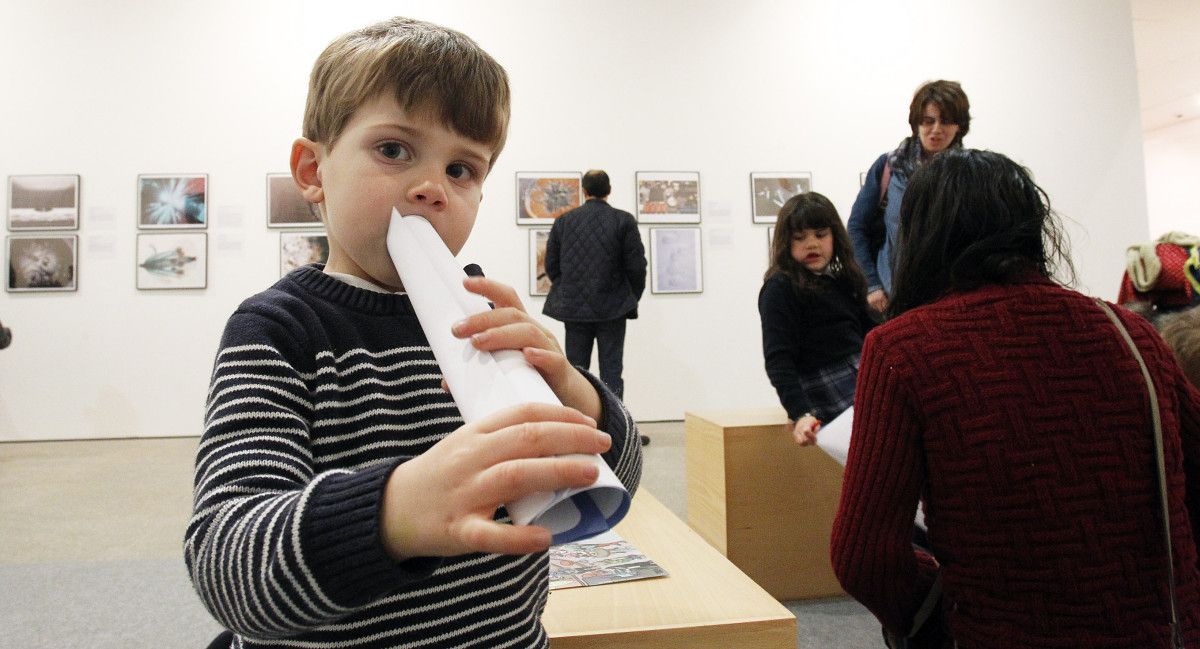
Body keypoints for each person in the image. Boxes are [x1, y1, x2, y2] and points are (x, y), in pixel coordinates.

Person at [185, 18, 643, 649]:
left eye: (462, 168)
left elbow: (611, 482)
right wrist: (396, 513)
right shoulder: (279, 330)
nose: (431, 189)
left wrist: (571, 389)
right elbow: (226, 563)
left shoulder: (484, 309)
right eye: (394, 150)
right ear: (313, 170)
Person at [831, 148, 1200, 648]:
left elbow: (864, 556)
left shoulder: (904, 349)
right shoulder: (1131, 332)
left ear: (919, 235)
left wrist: (938, 609)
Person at [758, 192, 876, 446]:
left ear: (835, 236)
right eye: (800, 238)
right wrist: (800, 413)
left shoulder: (843, 280)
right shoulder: (780, 287)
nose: (812, 244)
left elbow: (875, 333)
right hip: (826, 386)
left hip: (862, 376)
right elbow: (779, 359)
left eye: (821, 235)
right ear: (786, 242)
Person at [847, 80, 971, 313]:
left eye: (945, 121)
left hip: (951, 300)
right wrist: (872, 285)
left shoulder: (969, 175)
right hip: (892, 299)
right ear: (916, 123)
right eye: (928, 120)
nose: (936, 129)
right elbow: (856, 227)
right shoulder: (889, 167)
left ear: (959, 126)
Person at [542, 169, 646, 402]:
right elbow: (637, 266)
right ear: (609, 191)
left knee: (576, 372)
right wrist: (629, 297)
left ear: (584, 191)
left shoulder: (564, 221)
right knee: (611, 372)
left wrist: (570, 288)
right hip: (613, 308)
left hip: (574, 309)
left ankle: (580, 430)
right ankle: (616, 433)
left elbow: (551, 265)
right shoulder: (623, 220)